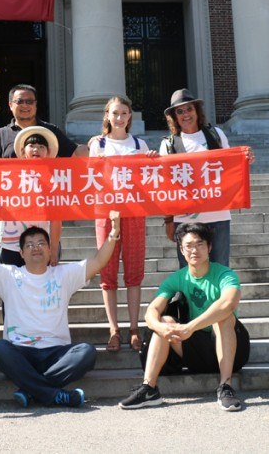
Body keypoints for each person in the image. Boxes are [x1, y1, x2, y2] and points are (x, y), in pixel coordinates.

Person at [0, 208, 122, 408]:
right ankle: (54, 394)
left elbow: (98, 261)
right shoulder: (9, 275)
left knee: (87, 352)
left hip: (57, 353)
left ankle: (31, 391)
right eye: (29, 245)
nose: (35, 248)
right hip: (21, 352)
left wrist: (114, 231)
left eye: (41, 244)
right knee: (0, 349)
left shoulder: (64, 274)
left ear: (49, 249)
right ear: (21, 253)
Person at [120, 222, 251, 411]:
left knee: (224, 317)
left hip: (231, 350)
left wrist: (191, 327)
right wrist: (161, 328)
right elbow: (151, 311)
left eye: (199, 244)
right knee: (164, 321)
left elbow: (228, 303)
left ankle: (226, 386)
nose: (194, 250)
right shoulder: (177, 278)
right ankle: (149, 388)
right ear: (181, 250)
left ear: (209, 247)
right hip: (193, 352)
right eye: (188, 246)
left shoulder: (225, 275)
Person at [87, 95, 158, 352]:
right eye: (115, 113)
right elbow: (91, 176)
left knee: (134, 269)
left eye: (124, 113)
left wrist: (151, 161)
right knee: (107, 273)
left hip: (135, 211)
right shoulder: (98, 144)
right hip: (106, 211)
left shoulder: (140, 144)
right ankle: (113, 329)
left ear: (130, 117)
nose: (119, 118)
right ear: (107, 115)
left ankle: (134, 328)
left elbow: (150, 179)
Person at [159, 88, 254, 269]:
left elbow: (230, 167)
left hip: (217, 215)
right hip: (186, 218)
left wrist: (245, 158)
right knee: (190, 272)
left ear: (197, 111)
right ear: (174, 117)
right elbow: (166, 186)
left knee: (220, 269)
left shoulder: (216, 134)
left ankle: (220, 299)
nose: (186, 115)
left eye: (189, 109)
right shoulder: (168, 144)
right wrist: (169, 221)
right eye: (180, 111)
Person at [0, 124, 62, 267]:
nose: (36, 149)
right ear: (23, 151)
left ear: (48, 152)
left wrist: (53, 250)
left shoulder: (54, 180)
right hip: (11, 246)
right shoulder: (8, 175)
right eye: (32, 145)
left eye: (42, 146)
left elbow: (56, 219)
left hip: (40, 247)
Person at [0, 84, 88, 158]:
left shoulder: (51, 131)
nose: (25, 105)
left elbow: (75, 154)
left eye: (29, 101)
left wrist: (93, 145)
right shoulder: (1, 135)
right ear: (10, 105)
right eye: (19, 101)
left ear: (35, 105)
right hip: (12, 187)